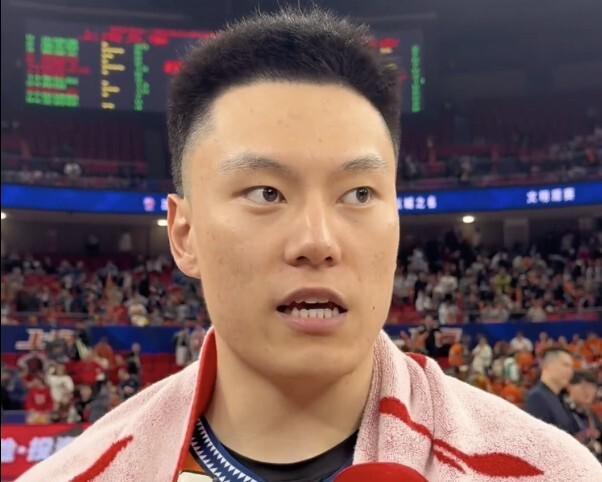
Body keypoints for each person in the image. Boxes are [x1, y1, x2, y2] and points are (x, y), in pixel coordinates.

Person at [17, 8, 601, 482]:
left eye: (359, 194)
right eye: (266, 193)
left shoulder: (552, 473)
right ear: (184, 234)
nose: (318, 242)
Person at [525, 347, 578, 435]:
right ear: (547, 365)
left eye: (571, 367)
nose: (570, 372)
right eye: (565, 365)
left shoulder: (561, 398)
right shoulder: (537, 398)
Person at [565, 371, 602, 461]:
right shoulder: (562, 410)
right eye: (584, 387)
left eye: (593, 387)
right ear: (569, 387)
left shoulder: (590, 413)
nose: (589, 391)